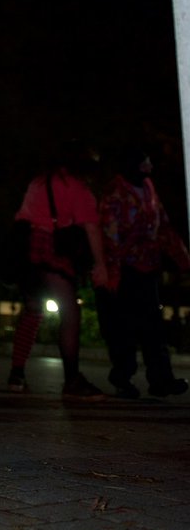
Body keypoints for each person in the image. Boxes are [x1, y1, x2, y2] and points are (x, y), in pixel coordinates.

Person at [7, 140, 110, 399]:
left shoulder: (38, 182)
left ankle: (16, 374)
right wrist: (100, 265)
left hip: (27, 250)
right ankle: (72, 379)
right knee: (70, 313)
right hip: (52, 250)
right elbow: (91, 228)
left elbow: (22, 215)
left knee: (32, 311)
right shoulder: (76, 188)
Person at [95, 145, 190, 399]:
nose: (150, 167)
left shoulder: (148, 189)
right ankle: (123, 378)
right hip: (124, 271)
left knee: (153, 328)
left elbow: (164, 226)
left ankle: (161, 380)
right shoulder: (114, 192)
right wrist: (113, 272)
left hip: (148, 268)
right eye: (145, 163)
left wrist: (182, 259)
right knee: (123, 330)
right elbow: (109, 235)